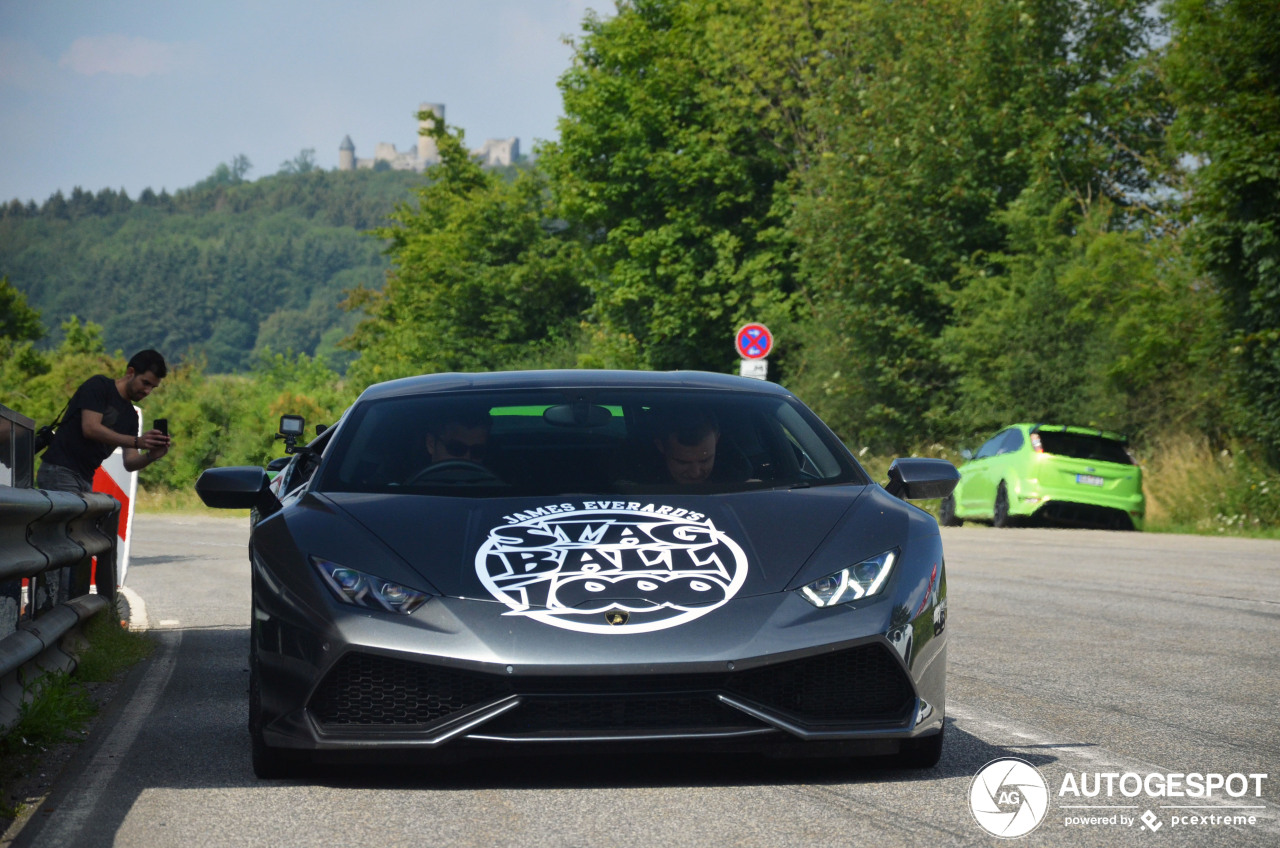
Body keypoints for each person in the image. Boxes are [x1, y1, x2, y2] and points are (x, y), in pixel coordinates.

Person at [37, 349, 172, 493]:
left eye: (153, 387)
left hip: (85, 478)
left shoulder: (131, 416)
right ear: (130, 372)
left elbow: (130, 462)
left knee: (108, 512)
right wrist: (137, 441)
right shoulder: (99, 386)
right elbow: (90, 428)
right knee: (77, 514)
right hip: (60, 470)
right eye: (145, 383)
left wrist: (151, 455)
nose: (147, 391)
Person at [653, 407, 750, 485]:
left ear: (717, 440)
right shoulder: (641, 484)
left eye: (705, 460)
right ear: (660, 446)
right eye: (682, 462)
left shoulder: (736, 480)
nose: (695, 473)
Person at [424, 406, 491, 465]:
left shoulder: (496, 479)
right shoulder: (414, 478)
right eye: (457, 449)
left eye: (477, 451)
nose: (467, 459)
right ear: (431, 444)